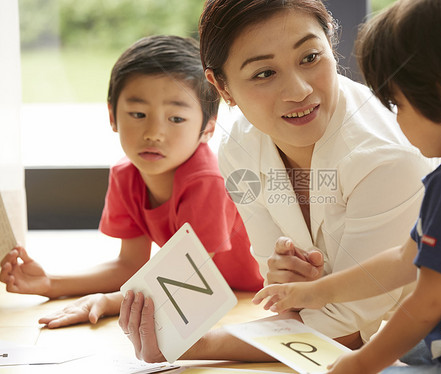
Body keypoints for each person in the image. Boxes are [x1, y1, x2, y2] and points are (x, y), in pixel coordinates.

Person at [119, 0, 437, 363]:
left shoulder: (386, 158)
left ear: (330, 46)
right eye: (264, 74)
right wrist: (289, 282)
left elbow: (346, 329)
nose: (299, 90)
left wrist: (199, 344)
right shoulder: (239, 146)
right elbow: (281, 295)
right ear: (221, 87)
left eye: (310, 57)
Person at [253, 0, 441, 373]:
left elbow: (428, 301)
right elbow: (405, 259)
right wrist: (316, 293)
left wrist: (360, 364)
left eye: (398, 103)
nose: (396, 120)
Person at [0, 35, 263, 328]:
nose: (154, 132)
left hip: (255, 297)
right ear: (112, 116)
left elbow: (189, 278)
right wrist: (50, 283)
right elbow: (129, 265)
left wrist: (111, 301)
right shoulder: (127, 174)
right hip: (213, 298)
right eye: (138, 114)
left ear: (207, 129)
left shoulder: (208, 181)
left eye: (176, 119)